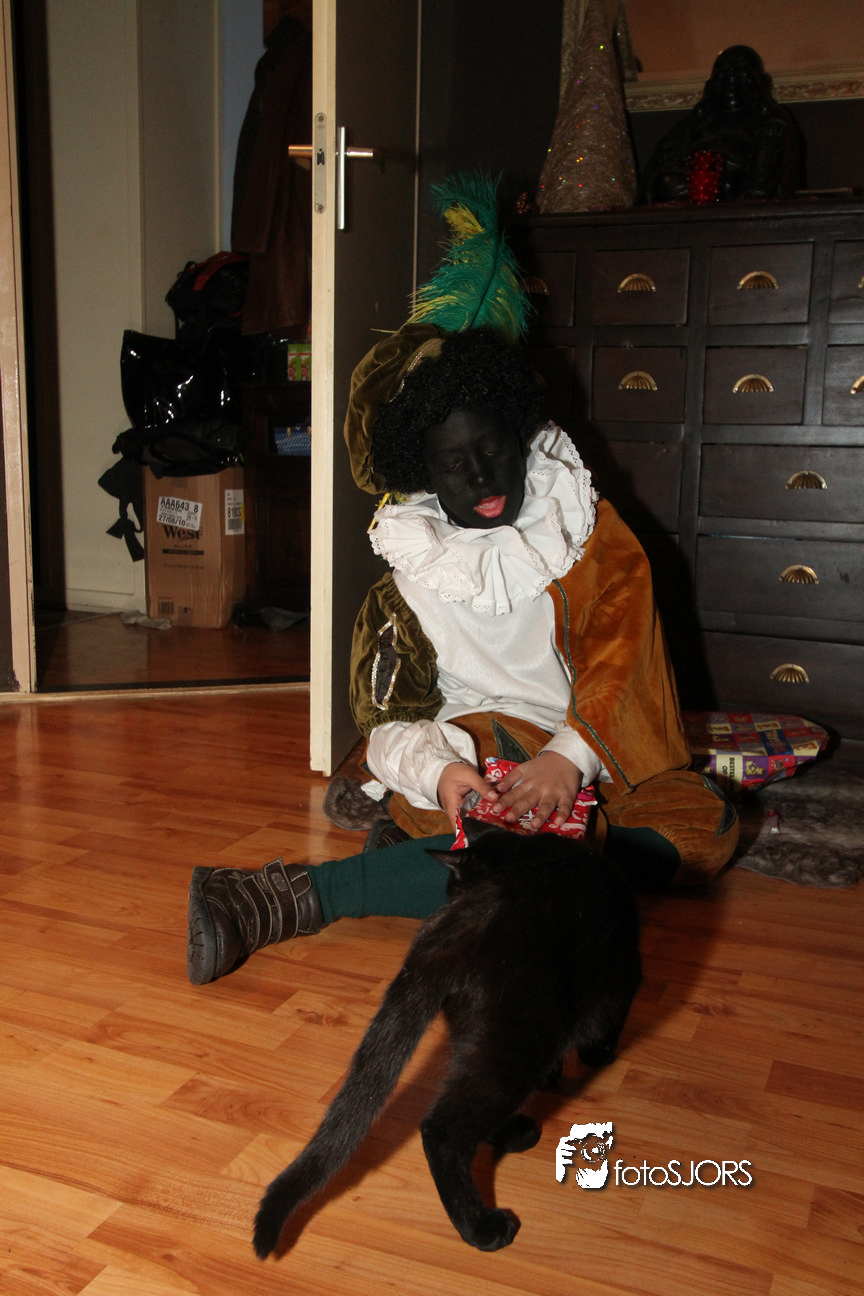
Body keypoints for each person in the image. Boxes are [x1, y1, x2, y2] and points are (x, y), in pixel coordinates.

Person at [186, 178, 739, 987]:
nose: (480, 476)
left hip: (587, 746)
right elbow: (386, 721)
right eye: (453, 463)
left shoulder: (587, 532)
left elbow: (626, 666)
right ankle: (286, 897)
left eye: (493, 450)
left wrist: (569, 760)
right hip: (473, 755)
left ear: (521, 436)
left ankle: (463, 863)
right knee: (523, 837)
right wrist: (446, 774)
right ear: (423, 472)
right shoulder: (408, 577)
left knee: (704, 827)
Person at [639, 45, 803, 204]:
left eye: (741, 76)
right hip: (696, 188)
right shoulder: (696, 121)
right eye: (724, 76)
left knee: (773, 133)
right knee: (667, 182)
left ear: (759, 84)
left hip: (742, 185)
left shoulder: (768, 118)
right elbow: (669, 151)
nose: (731, 82)